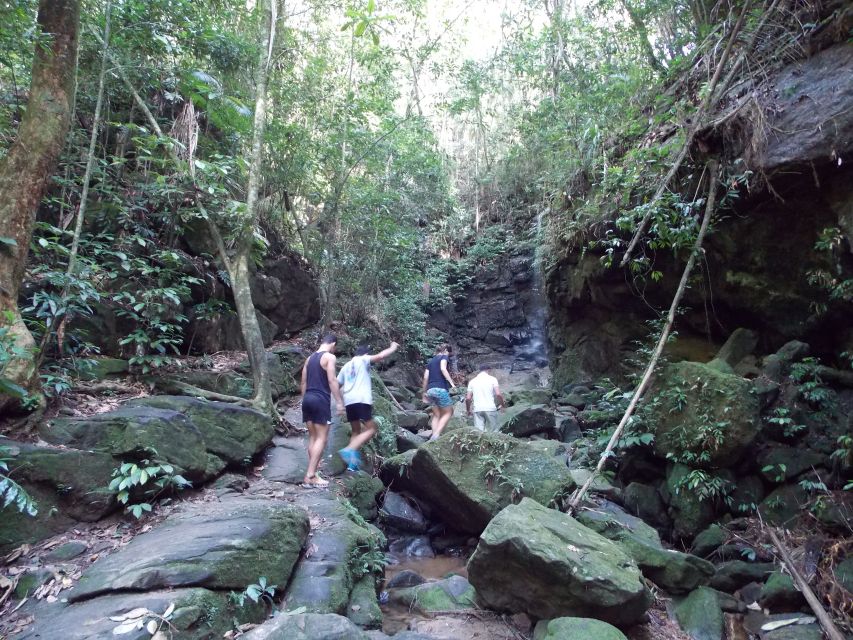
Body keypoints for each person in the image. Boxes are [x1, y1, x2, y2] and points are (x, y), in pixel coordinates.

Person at [337, 341, 400, 471]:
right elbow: (381, 356)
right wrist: (393, 347)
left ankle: (352, 464)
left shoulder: (346, 366)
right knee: (371, 429)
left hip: (349, 401)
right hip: (361, 399)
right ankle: (349, 449)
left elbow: (337, 386)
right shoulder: (363, 359)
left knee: (356, 431)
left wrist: (341, 403)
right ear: (365, 354)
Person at [299, 334, 346, 488]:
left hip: (308, 399)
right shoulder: (329, 358)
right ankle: (310, 475)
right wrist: (339, 402)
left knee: (313, 437)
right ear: (333, 344)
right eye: (335, 348)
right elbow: (332, 380)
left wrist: (304, 400)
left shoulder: (309, 359)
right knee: (322, 439)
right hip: (320, 400)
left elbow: (304, 382)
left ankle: (313, 472)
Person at [421, 343, 456, 440]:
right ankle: (436, 436)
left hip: (430, 391)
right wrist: (452, 384)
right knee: (449, 412)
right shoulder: (444, 356)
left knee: (436, 414)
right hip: (440, 389)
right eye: (449, 353)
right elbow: (443, 368)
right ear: (445, 351)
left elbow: (425, 378)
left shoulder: (430, 362)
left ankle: (434, 435)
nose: (449, 356)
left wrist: (424, 393)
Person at [466, 365, 505, 431]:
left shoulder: (472, 381)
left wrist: (468, 410)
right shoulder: (493, 379)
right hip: (490, 408)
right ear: (488, 370)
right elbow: (498, 394)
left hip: (477, 409)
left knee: (479, 432)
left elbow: (468, 398)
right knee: (493, 432)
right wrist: (503, 405)